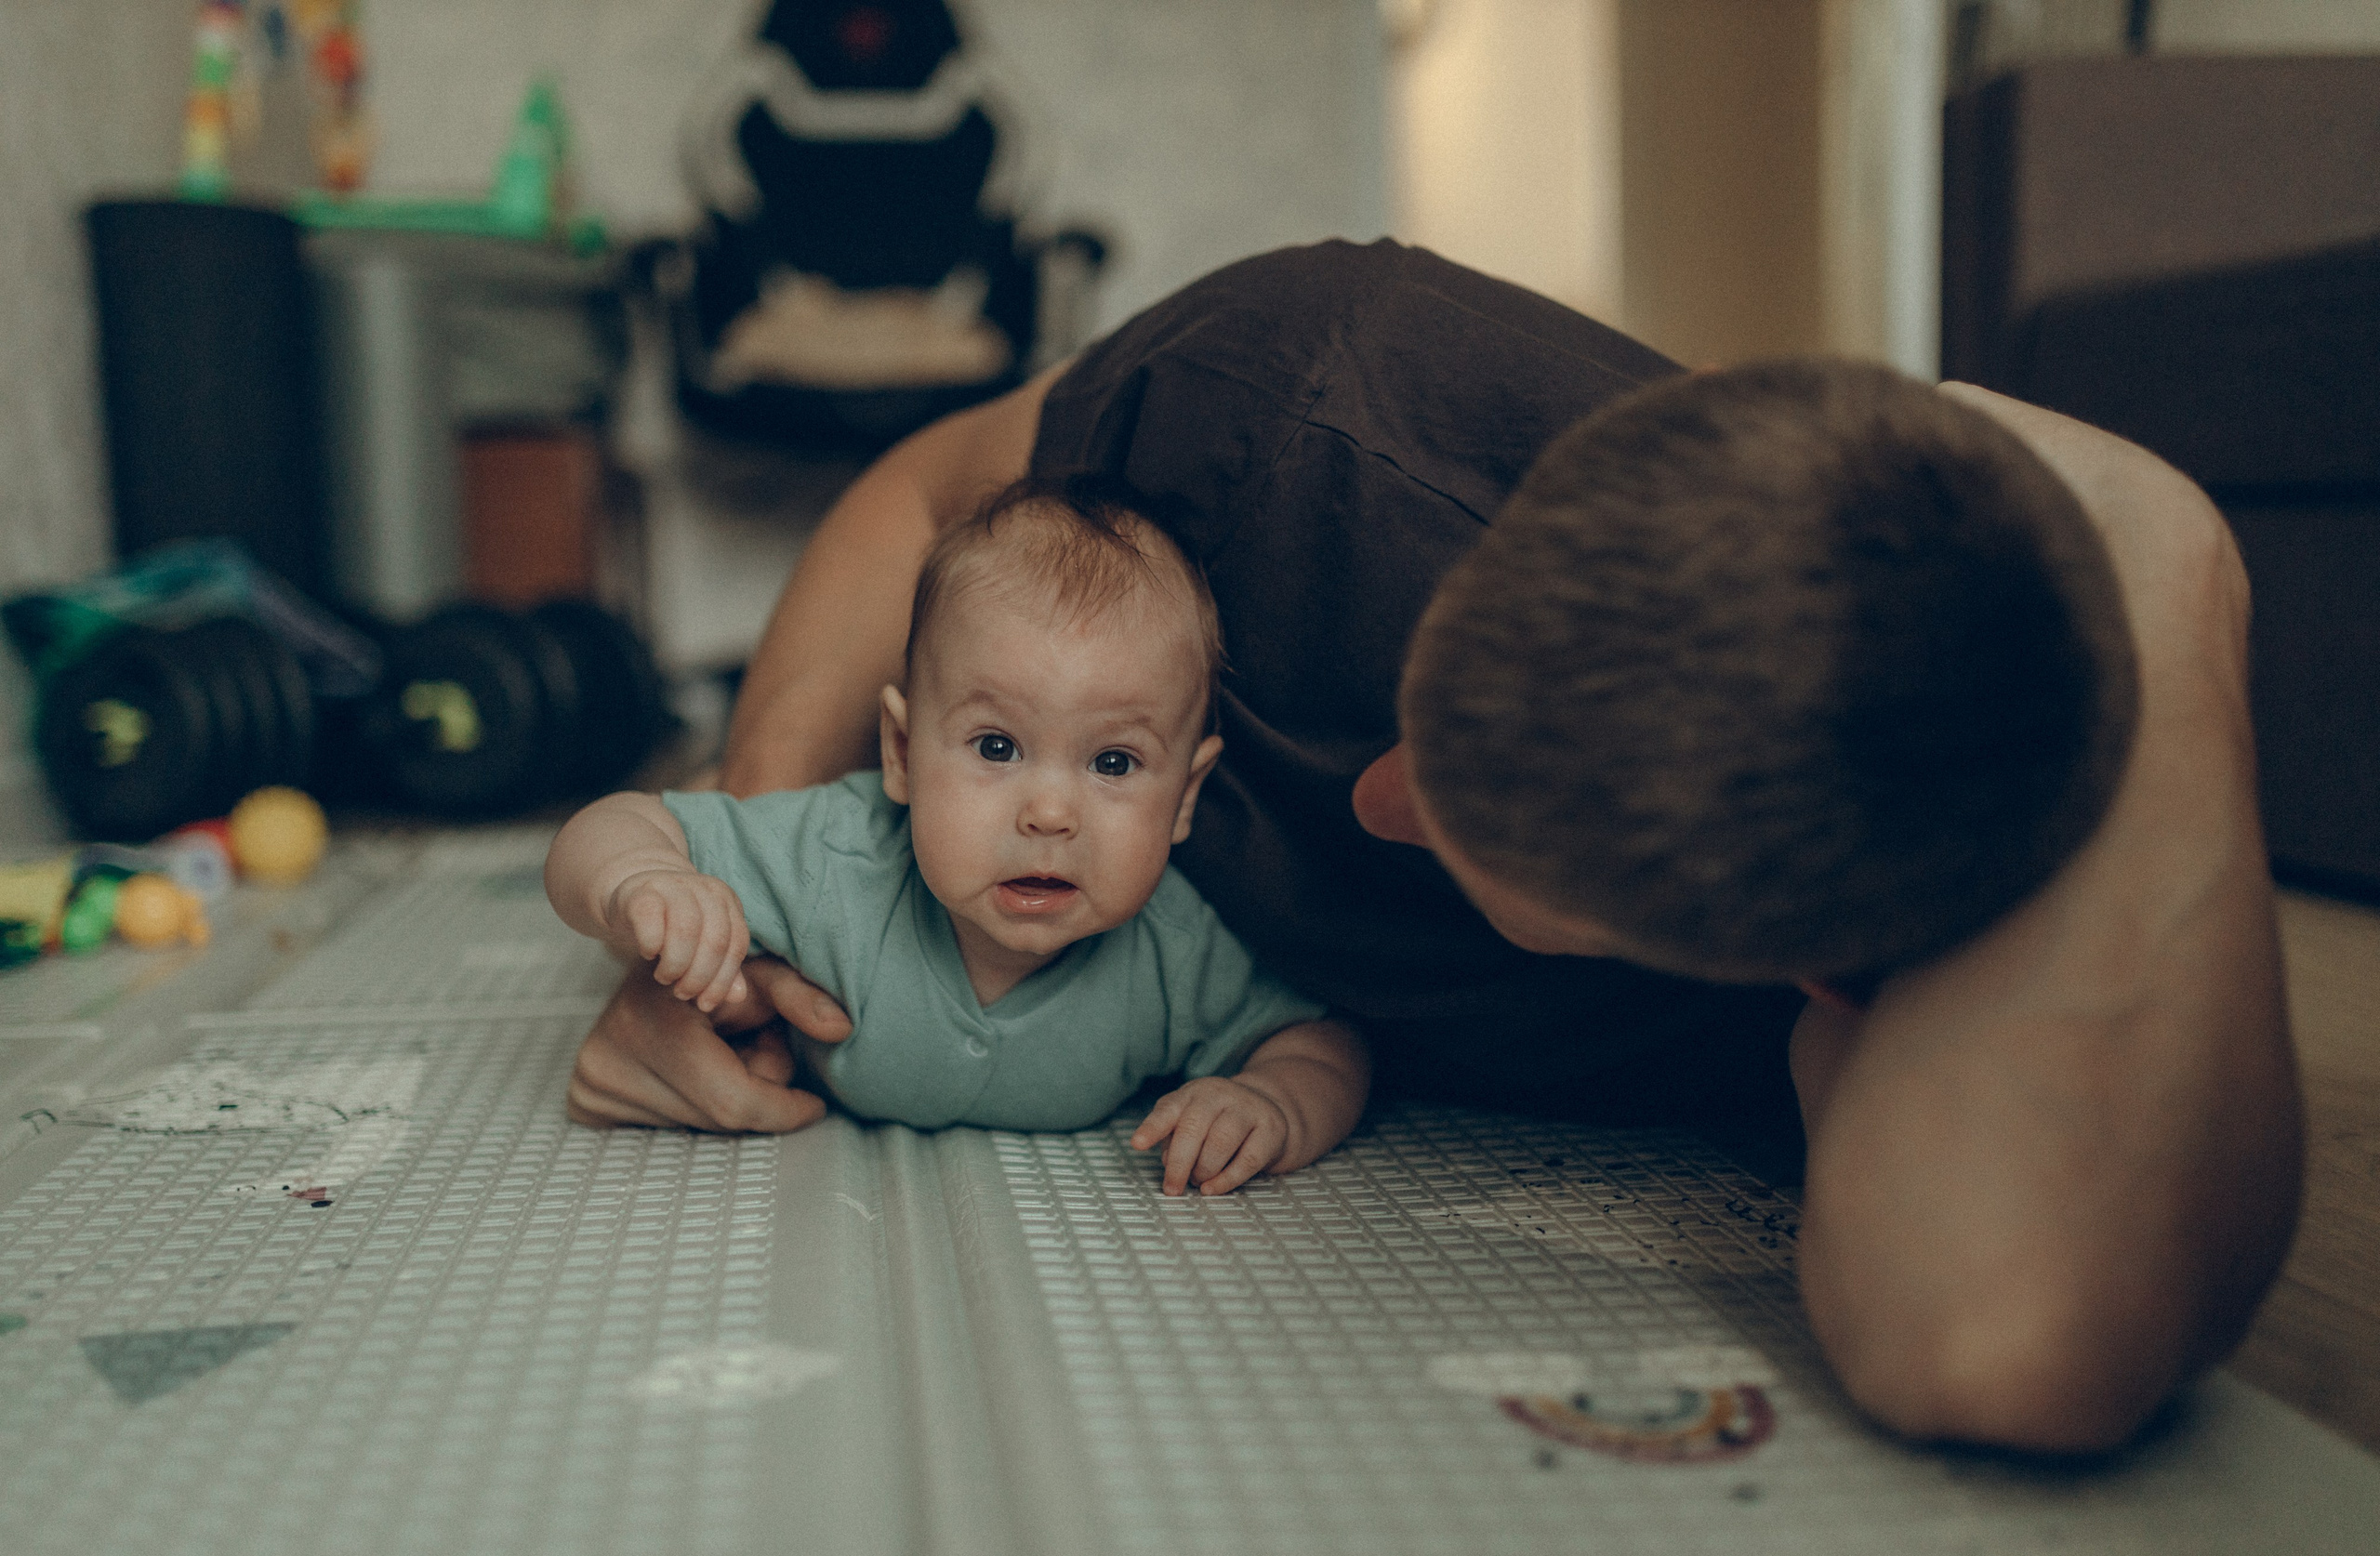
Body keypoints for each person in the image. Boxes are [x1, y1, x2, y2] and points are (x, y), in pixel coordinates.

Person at [567, 241, 2300, 1455]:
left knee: (1997, 1341)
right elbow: (933, 497)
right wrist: (742, 917)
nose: (1370, 805)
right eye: (1414, 718)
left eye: (1464, 832)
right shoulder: (1316, 390)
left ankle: (2151, 559)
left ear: (1738, 954)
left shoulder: (1847, 931)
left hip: (1936, 861)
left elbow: (2011, 1350)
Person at [546, 475, 1369, 1197]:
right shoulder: (836, 857)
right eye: (997, 747)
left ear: (1185, 795)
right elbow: (609, 824)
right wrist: (641, 882)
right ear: (902, 754)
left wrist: (1271, 1104)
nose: (1050, 813)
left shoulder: (1174, 948)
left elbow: (1324, 1042)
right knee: (706, 808)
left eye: (1114, 762)